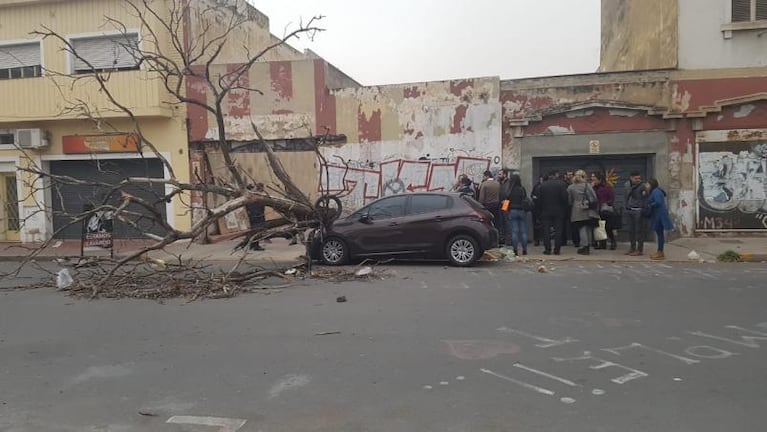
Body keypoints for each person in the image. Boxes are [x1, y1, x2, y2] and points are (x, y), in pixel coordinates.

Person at [567, 169, 598, 255]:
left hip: (577, 209)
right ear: (584, 176)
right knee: (588, 227)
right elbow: (594, 197)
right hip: (588, 208)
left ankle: (584, 246)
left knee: (581, 228)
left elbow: (569, 200)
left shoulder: (571, 187)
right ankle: (588, 244)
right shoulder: (587, 185)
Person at [537, 171, 569, 255]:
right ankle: (557, 249)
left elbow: (539, 200)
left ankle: (547, 249)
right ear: (556, 176)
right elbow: (565, 198)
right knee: (558, 231)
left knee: (546, 231)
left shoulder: (542, 185)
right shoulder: (562, 184)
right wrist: (564, 209)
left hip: (545, 211)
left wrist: (540, 210)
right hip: (559, 211)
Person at [646, 178, 673, 260]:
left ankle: (660, 252)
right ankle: (660, 251)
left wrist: (650, 205)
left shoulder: (656, 192)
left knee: (660, 234)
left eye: (647, 184)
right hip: (658, 214)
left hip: (659, 215)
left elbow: (658, 202)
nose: (646, 186)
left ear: (651, 184)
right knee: (659, 233)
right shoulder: (656, 191)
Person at [623, 171, 649, 256]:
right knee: (631, 230)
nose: (638, 180)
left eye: (639, 178)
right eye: (635, 178)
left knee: (639, 231)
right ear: (631, 178)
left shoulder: (642, 186)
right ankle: (632, 248)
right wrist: (626, 206)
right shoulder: (627, 185)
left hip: (639, 210)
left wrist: (644, 208)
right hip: (629, 209)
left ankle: (639, 249)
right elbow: (626, 196)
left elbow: (646, 198)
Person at [591, 171, 617, 250]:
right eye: (592, 180)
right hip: (596, 210)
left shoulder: (606, 187)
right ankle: (602, 243)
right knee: (599, 227)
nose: (593, 181)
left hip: (606, 210)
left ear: (599, 180)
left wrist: (606, 203)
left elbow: (611, 198)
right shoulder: (592, 188)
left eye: (594, 180)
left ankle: (613, 242)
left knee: (608, 227)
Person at [506, 173, 529, 255]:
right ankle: (524, 250)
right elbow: (525, 199)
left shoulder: (510, 190)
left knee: (514, 231)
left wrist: (505, 210)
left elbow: (506, 200)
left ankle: (515, 250)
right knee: (523, 231)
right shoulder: (522, 189)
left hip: (512, 210)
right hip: (522, 211)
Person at [478, 170, 502, 236]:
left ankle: (489, 236)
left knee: (487, 222)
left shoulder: (484, 184)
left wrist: (480, 206)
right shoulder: (497, 183)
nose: (483, 177)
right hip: (496, 204)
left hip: (487, 205)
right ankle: (498, 236)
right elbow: (500, 194)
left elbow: (481, 197)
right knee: (496, 221)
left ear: (487, 176)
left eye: (484, 176)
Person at [245, 183, 266, 251]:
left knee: (254, 230)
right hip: (257, 215)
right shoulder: (255, 196)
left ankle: (252, 244)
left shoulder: (250, 196)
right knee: (257, 230)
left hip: (255, 214)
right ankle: (255, 245)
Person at [497, 169, 512, 245]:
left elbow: (508, 193)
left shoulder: (508, 183)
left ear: (505, 175)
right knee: (501, 221)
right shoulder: (499, 182)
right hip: (500, 203)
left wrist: (506, 201)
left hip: (506, 203)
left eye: (500, 174)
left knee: (506, 221)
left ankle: (508, 239)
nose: (498, 176)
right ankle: (502, 238)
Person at [530, 175, 545, 246]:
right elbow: (532, 195)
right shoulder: (537, 186)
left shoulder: (538, 186)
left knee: (540, 225)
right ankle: (538, 240)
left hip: (539, 208)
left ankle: (539, 240)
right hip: (538, 208)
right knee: (538, 225)